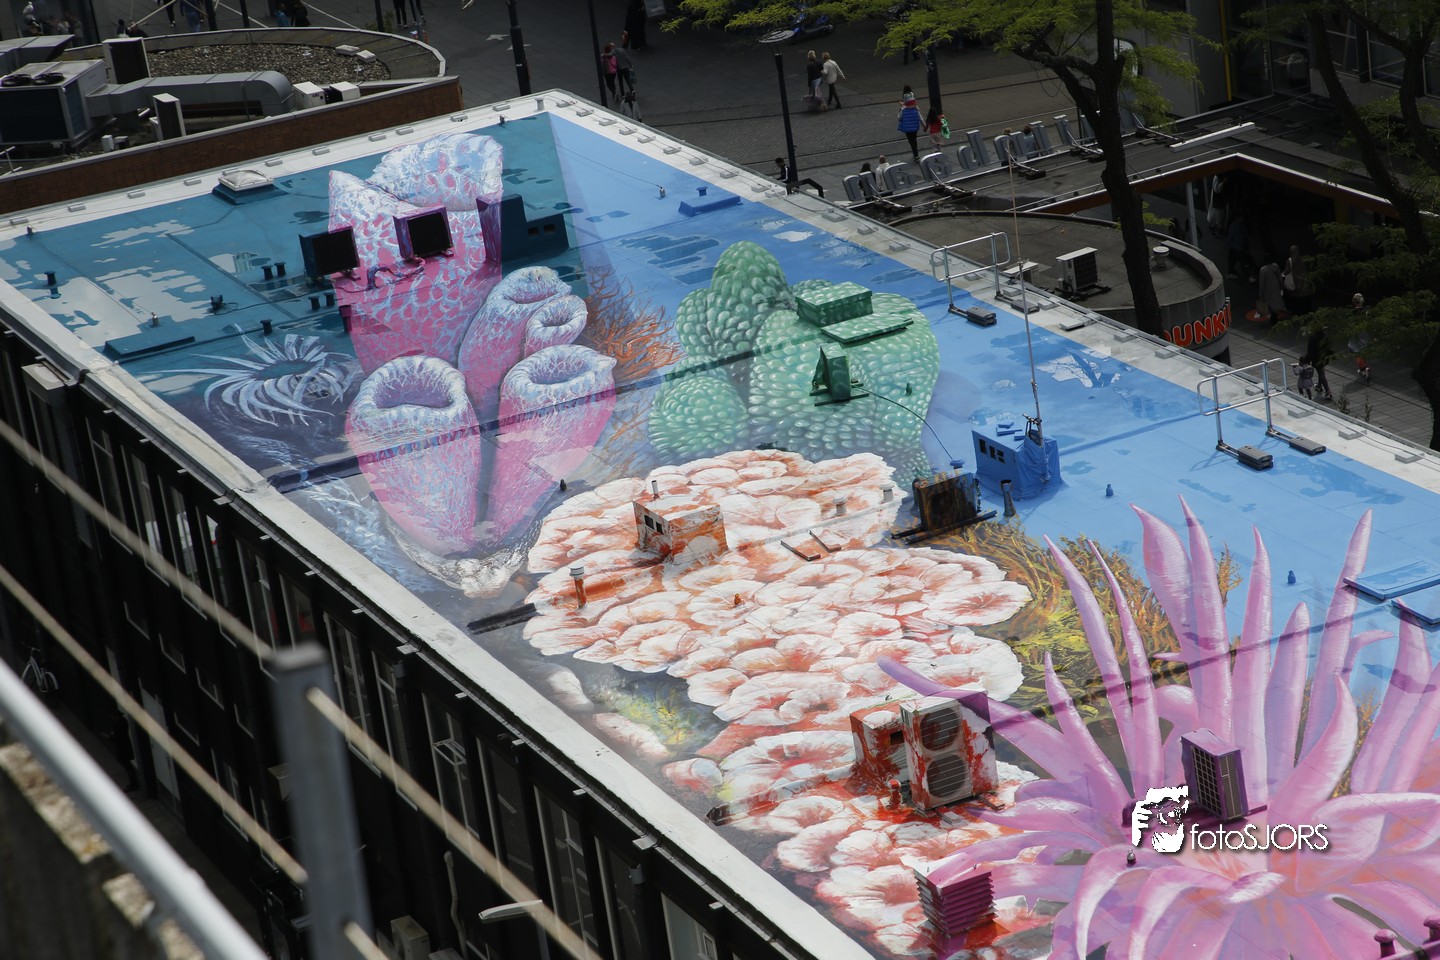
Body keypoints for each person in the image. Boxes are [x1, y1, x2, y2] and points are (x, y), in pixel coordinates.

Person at [1306, 325, 1334, 401]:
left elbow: (1310, 350)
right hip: (1324, 356)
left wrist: (1308, 359)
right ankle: (1319, 386)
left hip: (1316, 358)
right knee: (1321, 371)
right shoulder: (1324, 336)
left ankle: (1328, 391)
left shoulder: (1312, 337)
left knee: (1321, 373)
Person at [1350, 293, 1371, 383]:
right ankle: (1363, 369)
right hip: (1365, 333)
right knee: (1363, 350)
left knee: (1356, 351)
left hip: (1356, 333)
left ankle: (1364, 367)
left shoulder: (1353, 312)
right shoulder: (1366, 311)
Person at [897, 88, 922, 162]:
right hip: (914, 126)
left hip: (907, 128)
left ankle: (915, 154)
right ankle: (916, 154)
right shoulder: (915, 107)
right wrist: (924, 126)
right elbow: (920, 117)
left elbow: (899, 118)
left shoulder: (903, 108)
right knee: (914, 139)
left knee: (911, 140)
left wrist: (901, 107)